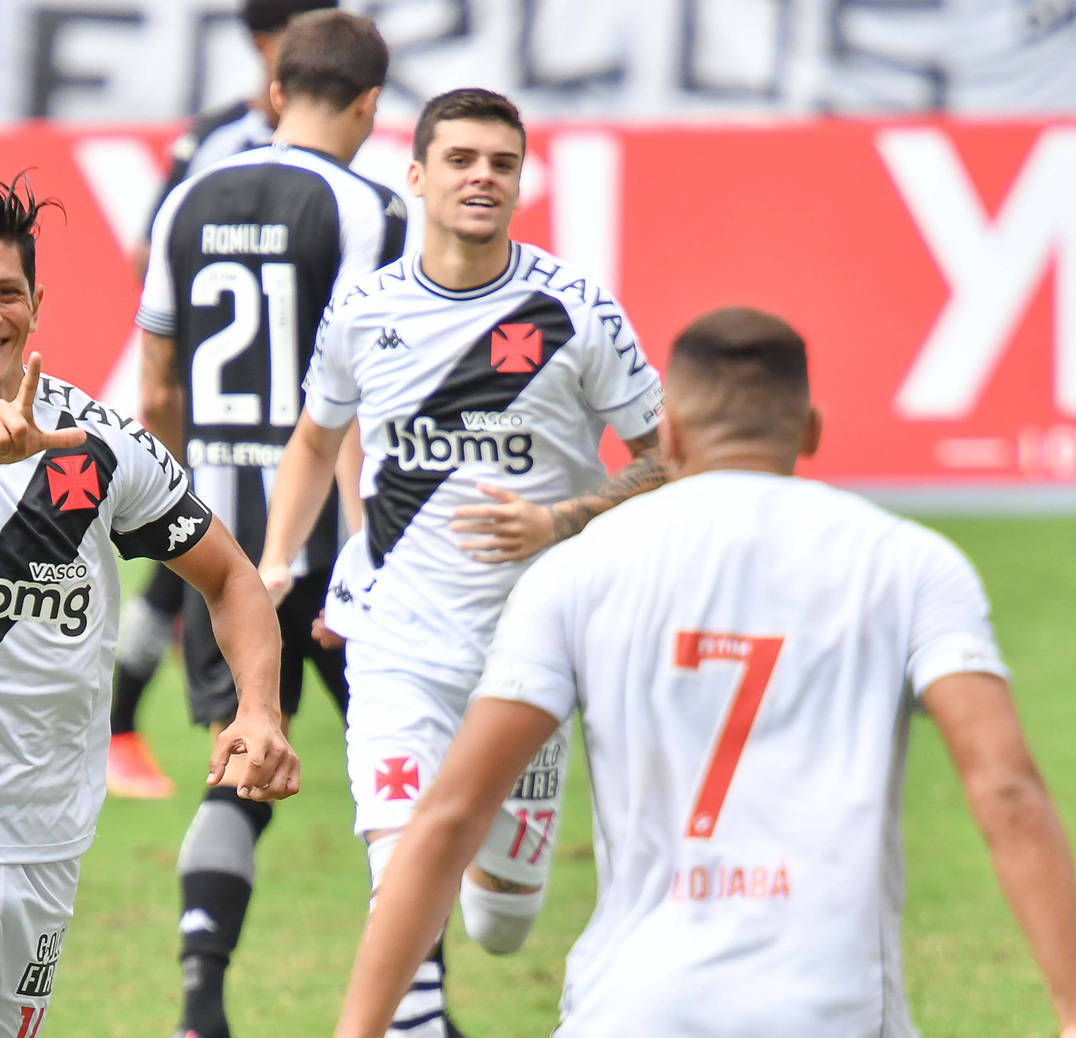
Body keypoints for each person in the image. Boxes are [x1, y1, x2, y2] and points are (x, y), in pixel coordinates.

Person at [333, 307, 1076, 1038]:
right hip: (831, 1010)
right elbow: (1005, 789)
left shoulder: (575, 572)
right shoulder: (912, 564)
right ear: (811, 430)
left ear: (675, 435)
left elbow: (453, 814)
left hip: (628, 1012)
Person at [0, 175, 300, 1038]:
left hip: (42, 843)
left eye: (5, 293)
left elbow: (232, 577)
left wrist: (259, 708)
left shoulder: (103, 444)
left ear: (38, 303)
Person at [258, 87, 667, 1037]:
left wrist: (561, 518)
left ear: (521, 182)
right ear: (418, 177)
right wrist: (280, 560)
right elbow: (318, 440)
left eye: (502, 163)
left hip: (532, 651)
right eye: (462, 159)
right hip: (395, 636)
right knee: (403, 875)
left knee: (500, 918)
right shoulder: (364, 309)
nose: (482, 176)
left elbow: (665, 458)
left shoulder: (574, 310)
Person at [136, 10, 405, 1037]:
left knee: (241, 761)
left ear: (277, 86)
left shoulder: (189, 199)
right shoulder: (370, 208)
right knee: (400, 777)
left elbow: (158, 381)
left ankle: (201, 999)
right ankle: (416, 1008)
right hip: (336, 550)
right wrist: (367, 550)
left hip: (221, 546)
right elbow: (363, 402)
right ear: (372, 105)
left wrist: (180, 511)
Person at [110, 0, 340, 801]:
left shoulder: (319, 152)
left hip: (294, 421)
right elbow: (150, 250)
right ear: (264, 46)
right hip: (229, 409)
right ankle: (119, 728)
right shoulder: (218, 141)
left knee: (190, 575)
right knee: (187, 570)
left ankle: (125, 728)